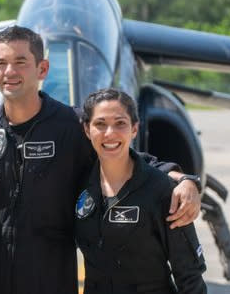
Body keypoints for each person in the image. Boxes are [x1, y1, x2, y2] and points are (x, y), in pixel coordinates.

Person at [0, 26, 201, 294]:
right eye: (3, 64)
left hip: (50, 278)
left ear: (42, 69)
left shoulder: (71, 127)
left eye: (20, 62)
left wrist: (184, 180)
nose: (10, 72)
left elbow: (125, 157)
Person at [75, 88, 206, 293]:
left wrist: (189, 181)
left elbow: (190, 278)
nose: (110, 133)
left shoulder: (162, 191)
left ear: (134, 129)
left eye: (120, 123)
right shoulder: (80, 185)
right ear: (86, 129)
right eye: (100, 124)